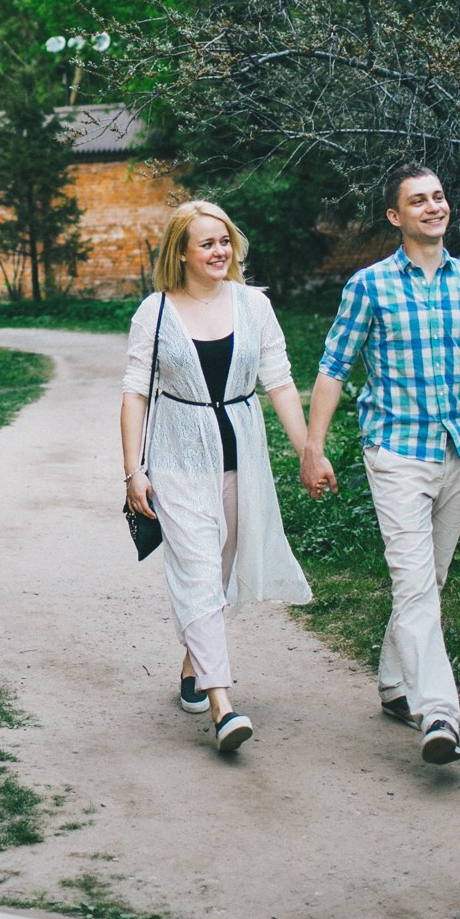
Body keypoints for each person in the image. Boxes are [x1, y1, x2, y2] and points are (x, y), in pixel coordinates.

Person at [298, 163, 460, 765]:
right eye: (419, 200)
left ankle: (393, 684)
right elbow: (334, 368)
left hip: (459, 449)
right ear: (396, 217)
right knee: (415, 588)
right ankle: (437, 712)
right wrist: (315, 447)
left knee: (429, 582)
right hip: (395, 455)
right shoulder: (369, 286)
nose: (434, 207)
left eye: (438, 197)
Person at [122, 200, 313, 753]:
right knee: (198, 567)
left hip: (241, 458)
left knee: (220, 570)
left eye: (224, 241)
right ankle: (222, 705)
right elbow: (135, 394)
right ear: (181, 253)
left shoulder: (253, 305)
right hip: (178, 461)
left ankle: (191, 664)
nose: (218, 251)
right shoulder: (155, 313)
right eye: (206, 243)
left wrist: (307, 452)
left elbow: (279, 380)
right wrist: (133, 471)